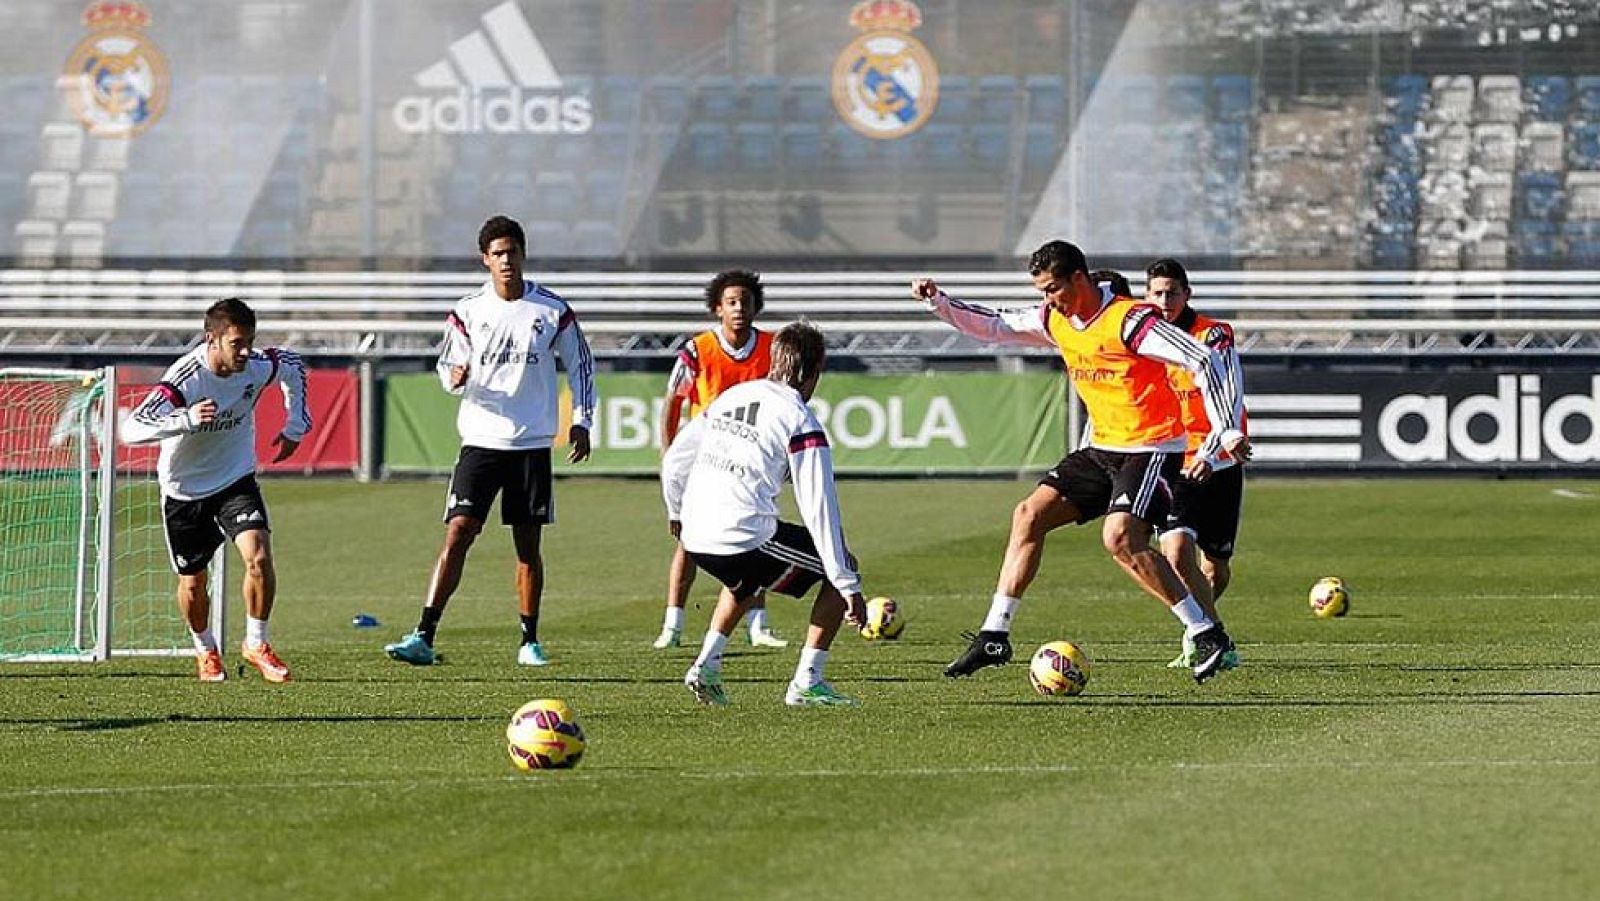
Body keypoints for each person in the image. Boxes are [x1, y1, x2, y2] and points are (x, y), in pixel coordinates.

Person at [913, 240, 1250, 684]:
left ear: (1079, 278)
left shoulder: (1130, 320)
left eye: (1053, 288)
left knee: (1120, 539)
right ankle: (994, 634)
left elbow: (1202, 358)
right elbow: (996, 325)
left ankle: (1206, 633)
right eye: (1041, 291)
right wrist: (940, 302)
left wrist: (1226, 430)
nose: (1047, 299)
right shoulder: (1056, 318)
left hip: (1152, 448)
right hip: (1101, 448)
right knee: (1029, 514)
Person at [385, 215, 596, 667]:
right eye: (497, 254)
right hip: (480, 440)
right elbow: (447, 366)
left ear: (523, 255)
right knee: (459, 531)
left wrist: (582, 419)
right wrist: (453, 376)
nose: (505, 260)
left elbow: (580, 365)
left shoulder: (552, 310)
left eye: (512, 252)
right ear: (485, 259)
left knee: (527, 546)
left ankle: (529, 640)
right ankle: (423, 633)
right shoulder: (468, 311)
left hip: (531, 444)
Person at [662, 322, 869, 707]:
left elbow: (675, 460)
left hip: (695, 534)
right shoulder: (800, 421)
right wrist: (848, 585)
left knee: (748, 580)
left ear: (774, 359)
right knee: (842, 564)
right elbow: (819, 506)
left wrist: (676, 512)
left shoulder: (730, 397)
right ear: (814, 371)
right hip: (739, 535)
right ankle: (808, 682)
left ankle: (706, 668)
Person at [123, 298, 310, 683]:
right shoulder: (186, 377)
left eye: (249, 342)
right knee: (193, 584)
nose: (245, 352)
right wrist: (185, 418)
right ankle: (205, 648)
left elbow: (290, 364)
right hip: (184, 489)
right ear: (212, 339)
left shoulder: (256, 366)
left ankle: (256, 642)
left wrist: (296, 424)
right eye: (236, 343)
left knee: (257, 556)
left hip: (234, 478)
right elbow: (132, 428)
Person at [653, 269, 787, 651]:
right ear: (717, 309)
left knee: (758, 537)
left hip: (751, 459)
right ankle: (673, 625)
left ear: (756, 306)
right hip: (705, 458)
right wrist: (670, 456)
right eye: (731, 302)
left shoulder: (773, 347)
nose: (739, 308)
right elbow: (673, 403)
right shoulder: (698, 350)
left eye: (745, 301)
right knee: (688, 541)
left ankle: (758, 626)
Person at [1143, 258, 1249, 670]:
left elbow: (1230, 394)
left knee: (1216, 568)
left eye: (1172, 292)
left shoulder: (1214, 334)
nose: (1165, 300)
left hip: (1219, 461)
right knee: (1175, 549)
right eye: (1157, 293)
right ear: (1146, 296)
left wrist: (1213, 451)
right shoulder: (1144, 340)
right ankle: (1215, 639)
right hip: (1173, 461)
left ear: (1187, 294)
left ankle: (1197, 629)